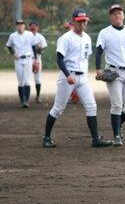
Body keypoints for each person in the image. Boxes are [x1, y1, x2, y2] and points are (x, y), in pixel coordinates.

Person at [42, 9, 113, 148]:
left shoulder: (87, 37)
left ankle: (95, 139)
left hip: (83, 78)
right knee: (58, 108)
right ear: (73, 21)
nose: (82, 24)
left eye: (84, 21)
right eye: (80, 21)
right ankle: (46, 137)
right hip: (68, 76)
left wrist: (96, 72)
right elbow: (59, 59)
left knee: (92, 106)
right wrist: (68, 75)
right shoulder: (66, 38)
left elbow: (85, 59)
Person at [95, 4, 125, 146]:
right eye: (114, 14)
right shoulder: (104, 32)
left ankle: (117, 124)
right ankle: (117, 136)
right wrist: (98, 69)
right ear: (110, 17)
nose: (117, 16)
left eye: (119, 13)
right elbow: (99, 51)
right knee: (117, 105)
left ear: (123, 16)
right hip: (113, 72)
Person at [5, 19, 38, 107]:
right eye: (18, 24)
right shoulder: (13, 36)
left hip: (28, 59)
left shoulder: (29, 34)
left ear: (24, 25)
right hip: (18, 59)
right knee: (20, 81)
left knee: (27, 81)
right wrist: (13, 53)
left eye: (21, 24)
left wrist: (36, 59)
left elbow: (34, 47)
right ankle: (22, 100)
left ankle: (26, 101)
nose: (20, 26)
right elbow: (8, 45)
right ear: (16, 26)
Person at [29, 21, 48, 103]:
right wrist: (37, 47)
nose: (33, 29)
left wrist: (38, 48)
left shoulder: (40, 37)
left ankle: (38, 96)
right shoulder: (27, 36)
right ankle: (26, 97)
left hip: (37, 59)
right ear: (29, 28)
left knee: (38, 78)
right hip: (28, 59)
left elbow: (41, 49)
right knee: (27, 79)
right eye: (32, 27)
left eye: (35, 27)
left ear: (37, 27)